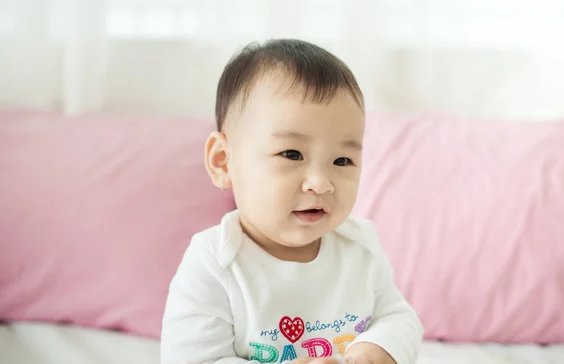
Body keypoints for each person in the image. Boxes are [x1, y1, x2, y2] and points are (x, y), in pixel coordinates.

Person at [161, 39, 423, 364]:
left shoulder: (361, 248)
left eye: (342, 160)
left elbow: (399, 317)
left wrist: (377, 349)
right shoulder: (215, 264)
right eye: (292, 154)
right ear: (223, 161)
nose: (321, 183)